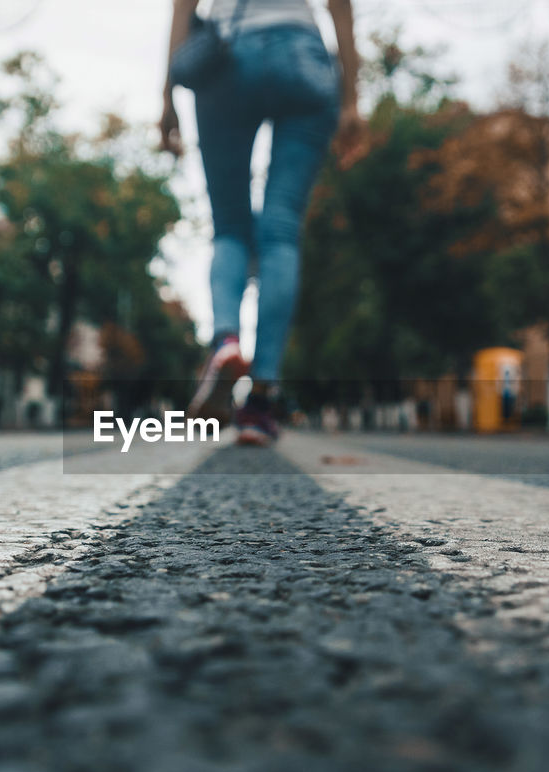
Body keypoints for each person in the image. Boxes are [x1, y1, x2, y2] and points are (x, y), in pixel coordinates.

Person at [161, 0, 363, 446]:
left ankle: (226, 342)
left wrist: (168, 96)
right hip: (304, 59)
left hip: (228, 56)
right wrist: (351, 100)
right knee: (281, 230)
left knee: (230, 227)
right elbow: (341, 7)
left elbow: (182, 6)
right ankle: (261, 400)